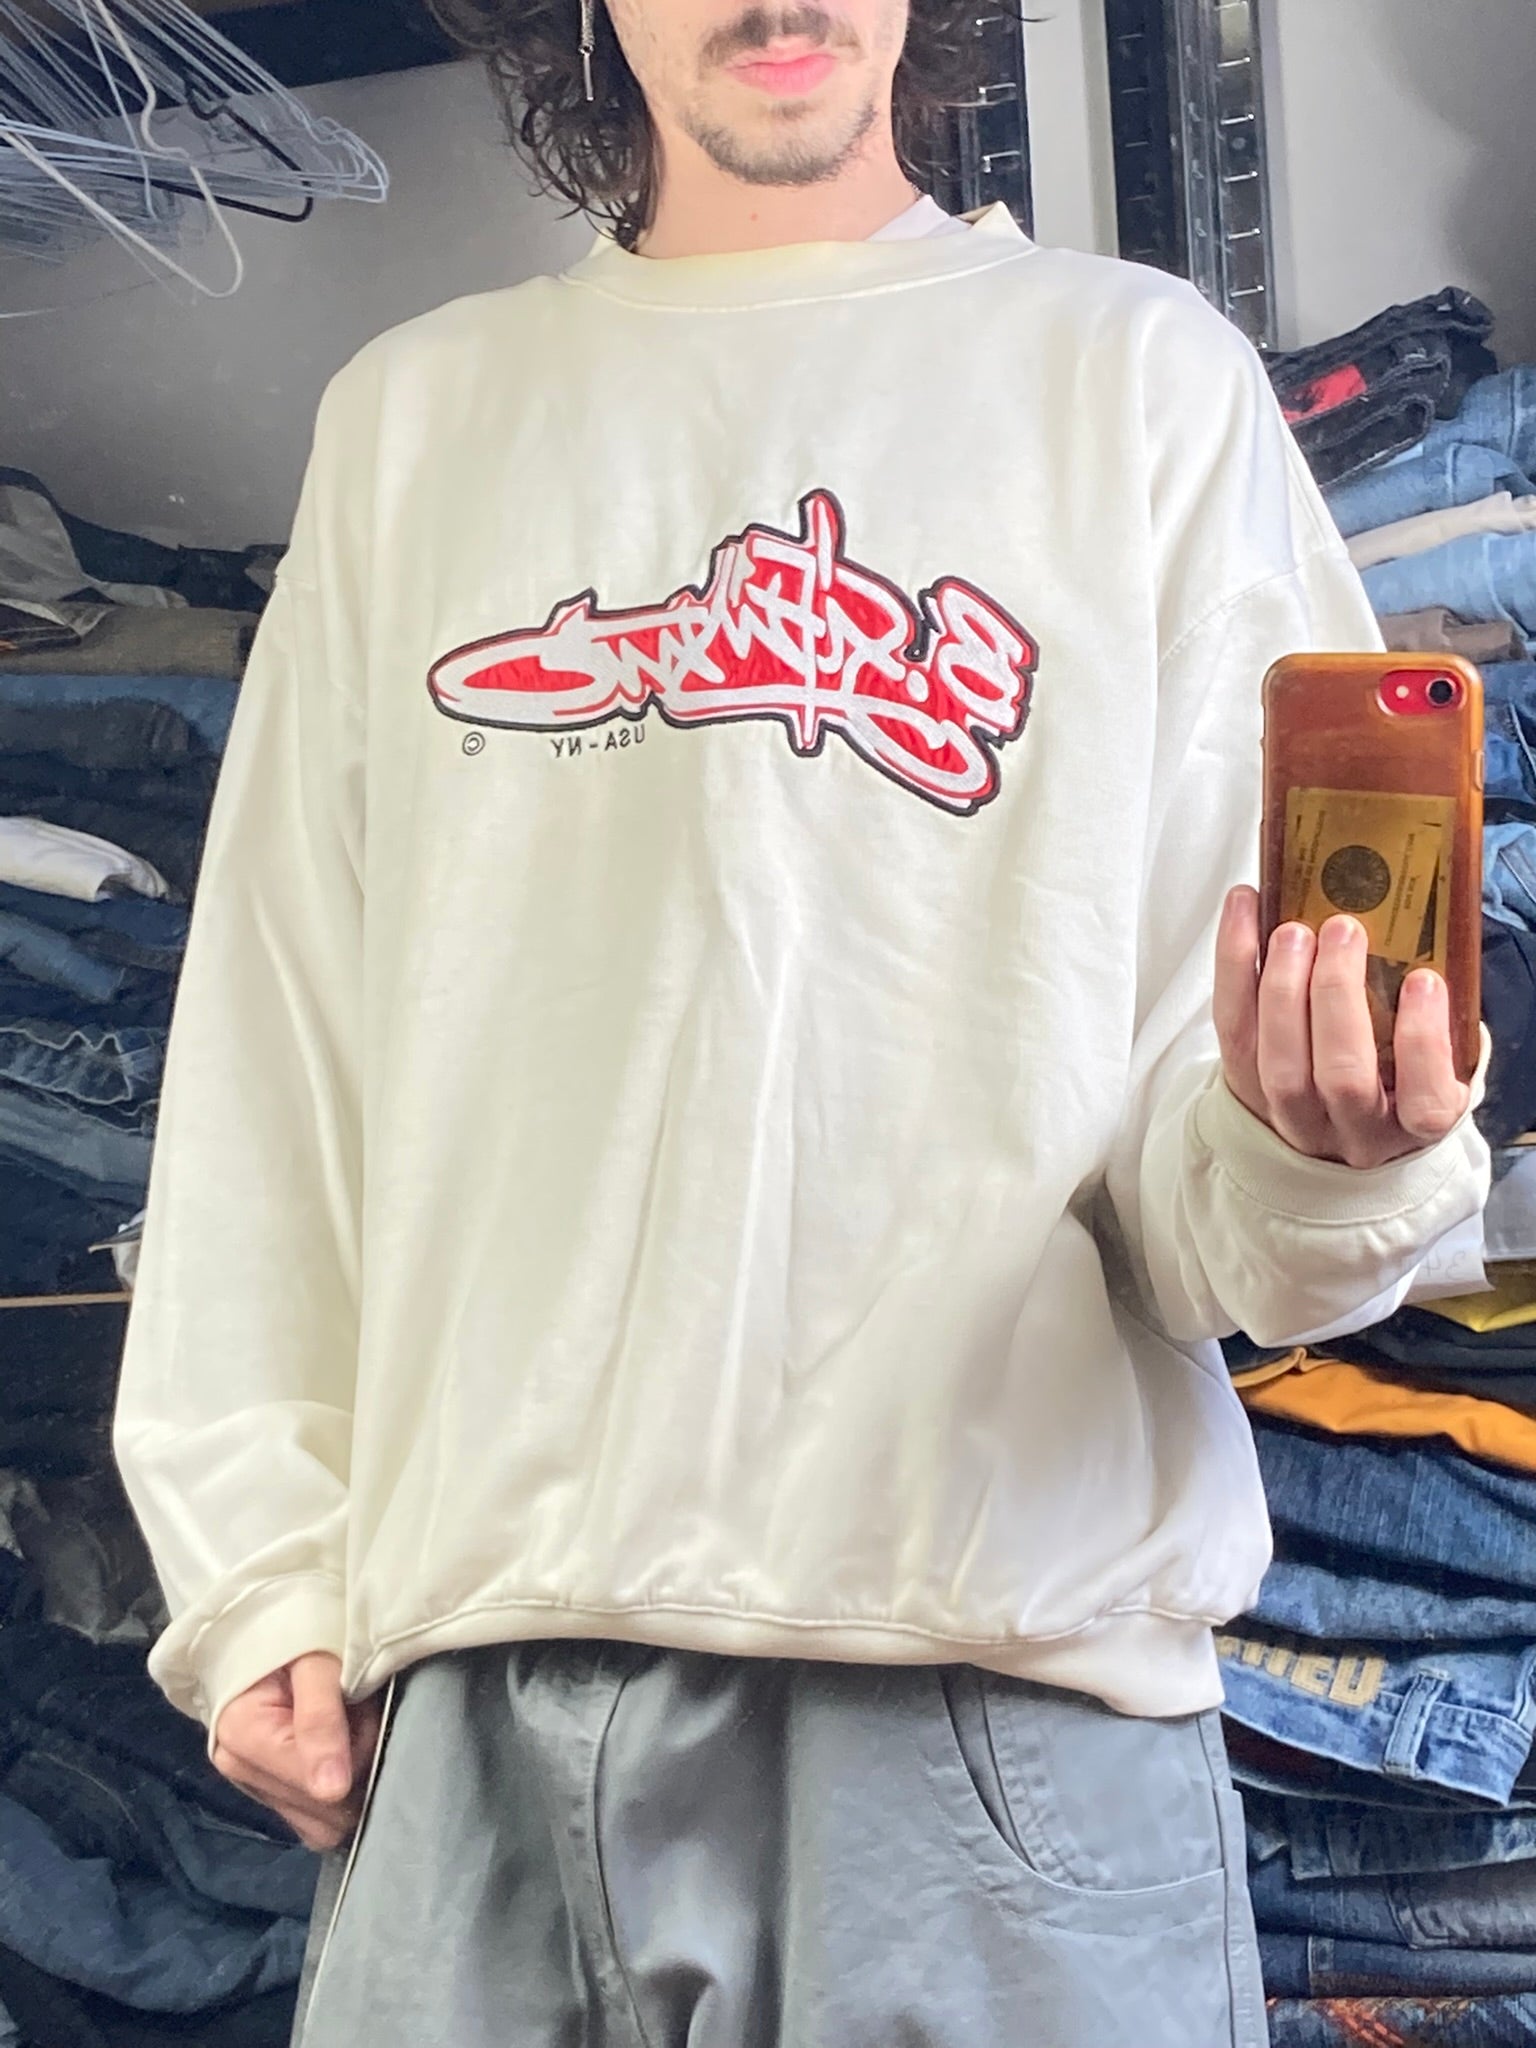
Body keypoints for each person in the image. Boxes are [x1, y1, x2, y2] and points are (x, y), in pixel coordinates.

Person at [113, 4, 1490, 2044]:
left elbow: (1208, 1218)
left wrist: (1322, 1147)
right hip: (482, 1704)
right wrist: (253, 1560)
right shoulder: (420, 421)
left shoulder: (1135, 382)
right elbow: (276, 1038)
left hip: (997, 1694)